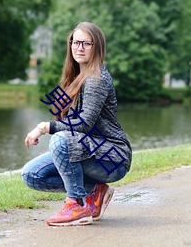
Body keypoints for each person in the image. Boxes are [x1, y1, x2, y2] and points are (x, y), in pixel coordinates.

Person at [21, 21, 132, 226]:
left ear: (96, 47)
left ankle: (77, 204)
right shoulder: (75, 78)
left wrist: (44, 127)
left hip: (112, 158)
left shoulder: (97, 79)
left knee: (60, 139)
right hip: (86, 151)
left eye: (86, 43)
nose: (79, 47)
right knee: (32, 175)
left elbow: (83, 124)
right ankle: (95, 191)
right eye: (75, 41)